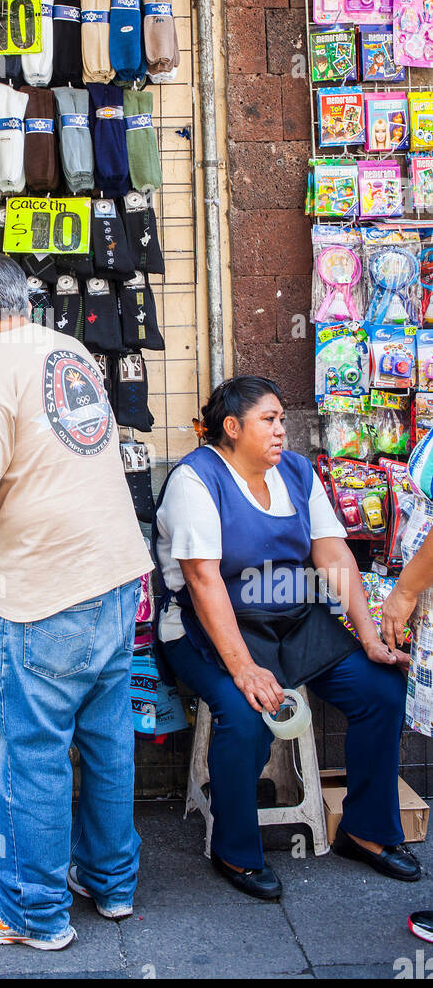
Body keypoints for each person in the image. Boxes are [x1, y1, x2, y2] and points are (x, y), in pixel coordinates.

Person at [0, 252, 153, 950]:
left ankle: (32, 913)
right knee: (106, 738)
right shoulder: (68, 349)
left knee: (31, 753)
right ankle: (111, 883)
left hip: (49, 588)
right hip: (117, 571)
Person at [154, 376, 419, 901]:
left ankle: (366, 830)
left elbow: (333, 556)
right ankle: (234, 848)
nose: (281, 431)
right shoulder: (197, 479)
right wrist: (244, 669)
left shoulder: (297, 472)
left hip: (293, 620)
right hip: (206, 627)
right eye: (268, 421)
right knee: (245, 713)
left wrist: (367, 637)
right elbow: (205, 583)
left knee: (380, 690)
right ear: (231, 428)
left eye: (281, 420)